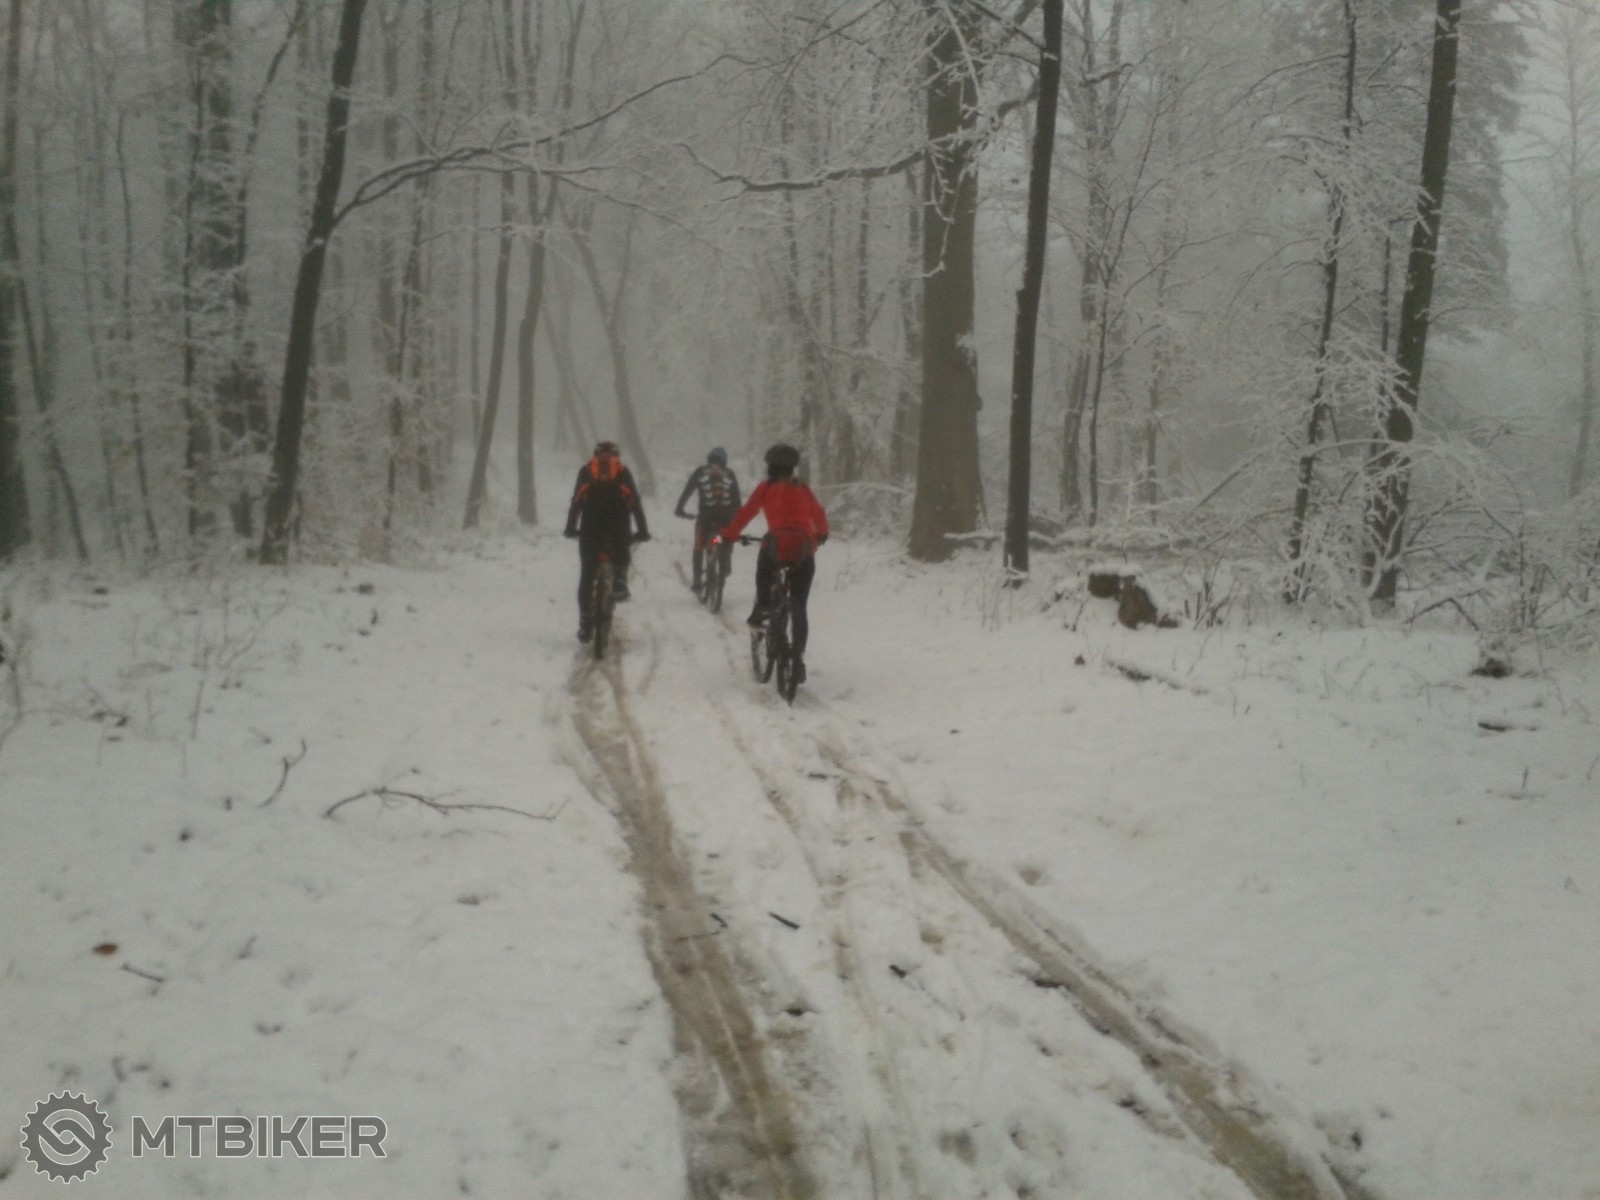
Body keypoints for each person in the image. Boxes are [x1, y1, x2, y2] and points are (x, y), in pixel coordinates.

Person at [714, 443, 828, 683]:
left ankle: (764, 607)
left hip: (777, 548)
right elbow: (818, 513)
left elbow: (745, 514)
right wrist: (822, 533)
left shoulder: (765, 489)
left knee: (764, 566)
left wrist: (729, 535)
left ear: (770, 466)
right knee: (799, 606)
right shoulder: (803, 488)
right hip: (804, 551)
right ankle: (797, 659)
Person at [564, 440, 650, 642]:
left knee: (587, 575)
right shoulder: (622, 471)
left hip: (590, 528)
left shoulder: (586, 471)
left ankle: (585, 622)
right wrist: (642, 530)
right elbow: (634, 502)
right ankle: (620, 582)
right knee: (622, 552)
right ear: (617, 456)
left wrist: (571, 528)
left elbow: (577, 501)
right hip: (617, 526)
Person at [673, 447, 742, 595]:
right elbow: (736, 499)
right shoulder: (730, 474)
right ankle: (726, 563)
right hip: (725, 518)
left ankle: (697, 580)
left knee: (699, 546)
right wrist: (738, 518)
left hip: (706, 517)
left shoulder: (700, 472)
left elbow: (688, 490)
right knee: (726, 539)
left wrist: (680, 509)